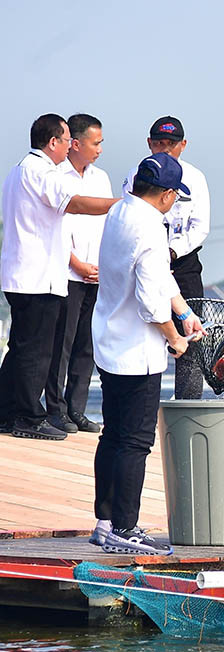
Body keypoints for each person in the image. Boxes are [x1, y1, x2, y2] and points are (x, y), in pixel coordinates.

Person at [91, 152, 203, 555]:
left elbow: (160, 278)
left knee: (114, 435)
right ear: (168, 195)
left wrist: (186, 311)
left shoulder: (120, 212)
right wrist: (175, 337)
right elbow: (151, 300)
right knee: (135, 442)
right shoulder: (152, 228)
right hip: (138, 350)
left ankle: (105, 522)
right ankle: (125, 527)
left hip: (110, 339)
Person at [0, 114, 119, 440]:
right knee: (37, 351)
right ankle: (29, 416)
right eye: (67, 141)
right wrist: (123, 205)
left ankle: (6, 412)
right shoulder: (42, 171)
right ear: (53, 142)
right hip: (38, 275)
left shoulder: (17, 170)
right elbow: (76, 204)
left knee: (22, 348)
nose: (69, 147)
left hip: (23, 273)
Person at [123, 116, 210, 399]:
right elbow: (130, 217)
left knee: (192, 332)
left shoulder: (195, 178)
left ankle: (188, 400)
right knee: (145, 327)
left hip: (182, 261)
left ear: (183, 145)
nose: (165, 149)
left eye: (171, 144)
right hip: (144, 257)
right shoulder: (137, 174)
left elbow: (201, 227)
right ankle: (142, 398)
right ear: (149, 144)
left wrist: (172, 253)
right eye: (159, 143)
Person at [44, 114, 112, 434]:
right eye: (95, 142)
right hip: (67, 273)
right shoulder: (56, 176)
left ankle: (77, 409)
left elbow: (106, 225)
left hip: (96, 273)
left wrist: (102, 265)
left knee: (87, 344)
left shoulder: (101, 178)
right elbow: (54, 226)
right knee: (63, 344)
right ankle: (54, 410)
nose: (100, 148)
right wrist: (76, 263)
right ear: (76, 143)